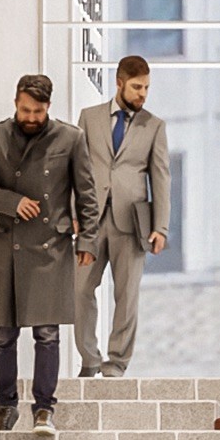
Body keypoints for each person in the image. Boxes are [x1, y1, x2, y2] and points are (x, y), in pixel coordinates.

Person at [0, 72, 98, 430]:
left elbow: (87, 194)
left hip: (50, 246)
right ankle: (5, 406)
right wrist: (11, 201)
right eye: (25, 110)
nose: (31, 118)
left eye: (37, 111)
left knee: (47, 333)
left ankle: (44, 409)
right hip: (10, 244)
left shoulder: (71, 138)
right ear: (15, 103)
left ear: (48, 107)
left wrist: (87, 240)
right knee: (4, 333)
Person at [84, 56, 173, 377]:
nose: (143, 94)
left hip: (132, 223)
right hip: (90, 221)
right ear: (119, 83)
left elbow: (160, 177)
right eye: (137, 87)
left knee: (126, 296)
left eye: (147, 87)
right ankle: (90, 359)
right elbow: (77, 170)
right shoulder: (89, 118)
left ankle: (116, 363)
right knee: (79, 291)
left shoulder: (154, 126)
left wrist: (160, 226)